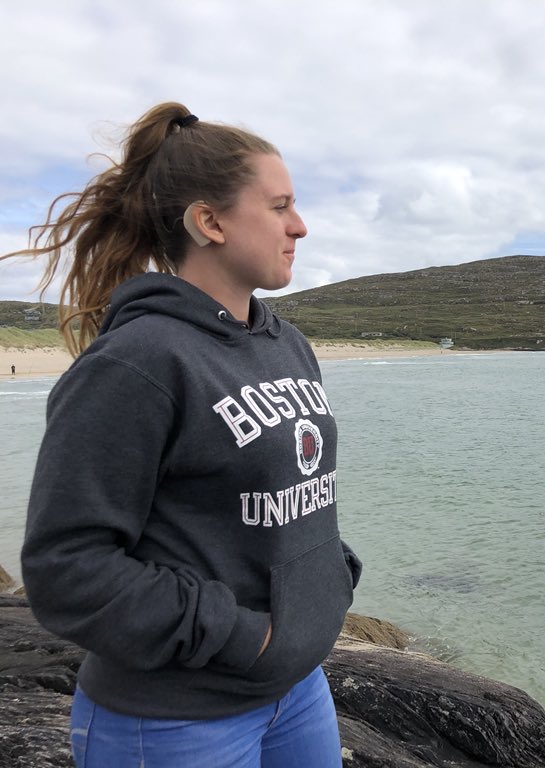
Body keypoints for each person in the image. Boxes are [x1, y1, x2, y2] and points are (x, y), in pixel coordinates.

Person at [2, 103, 360, 767]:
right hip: (173, 721)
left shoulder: (291, 346)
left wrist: (330, 581)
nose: (300, 226)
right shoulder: (137, 363)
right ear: (209, 221)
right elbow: (64, 568)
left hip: (296, 691)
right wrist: (242, 636)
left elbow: (295, 498)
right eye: (279, 206)